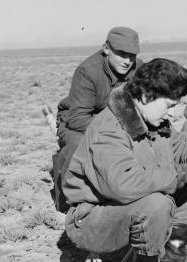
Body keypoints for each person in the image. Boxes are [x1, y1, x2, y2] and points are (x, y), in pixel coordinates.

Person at [63, 59, 187, 262]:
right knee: (157, 202)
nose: (174, 113)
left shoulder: (150, 118)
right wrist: (177, 174)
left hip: (124, 210)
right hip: (92, 219)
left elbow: (174, 142)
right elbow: (123, 184)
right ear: (145, 95)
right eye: (170, 105)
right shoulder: (109, 128)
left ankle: (173, 251)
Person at [52, 27, 142, 212]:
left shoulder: (139, 68)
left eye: (132, 55)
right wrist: (115, 132)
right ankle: (69, 200)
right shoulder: (88, 71)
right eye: (122, 54)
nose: (127, 61)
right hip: (76, 122)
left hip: (120, 118)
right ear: (106, 48)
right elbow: (77, 119)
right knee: (79, 145)